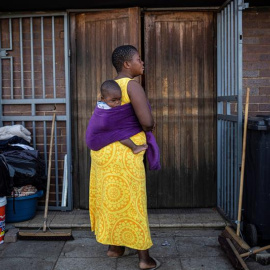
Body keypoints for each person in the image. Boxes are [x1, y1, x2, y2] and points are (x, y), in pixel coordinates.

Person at [86, 45, 161, 270]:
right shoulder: (132, 86)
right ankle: (144, 260)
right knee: (133, 201)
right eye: (139, 59)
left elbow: (104, 119)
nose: (142, 62)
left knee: (112, 197)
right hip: (124, 153)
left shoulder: (108, 88)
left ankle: (115, 248)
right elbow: (147, 123)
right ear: (127, 64)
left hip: (102, 152)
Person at [97, 79, 148, 154]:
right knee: (120, 135)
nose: (117, 102)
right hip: (105, 130)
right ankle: (134, 147)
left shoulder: (106, 104)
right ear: (103, 99)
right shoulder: (104, 109)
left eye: (119, 99)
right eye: (113, 100)